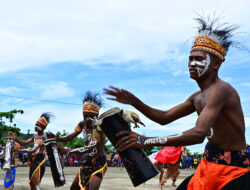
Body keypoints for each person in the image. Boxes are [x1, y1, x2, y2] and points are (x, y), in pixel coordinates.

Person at [104, 16, 250, 190]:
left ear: (216, 63)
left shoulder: (221, 90)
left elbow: (198, 134)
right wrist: (134, 102)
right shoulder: (197, 97)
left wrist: (146, 140)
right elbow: (164, 117)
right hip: (207, 165)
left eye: (199, 58)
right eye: (190, 58)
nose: (192, 63)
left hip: (232, 171)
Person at [53, 91, 107, 190]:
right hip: (87, 162)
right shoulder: (82, 124)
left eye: (90, 116)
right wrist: (58, 138)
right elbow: (70, 137)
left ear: (97, 115)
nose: (87, 119)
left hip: (99, 163)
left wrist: (68, 151)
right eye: (85, 115)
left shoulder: (99, 127)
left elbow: (90, 148)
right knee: (74, 188)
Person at [8, 112, 53, 190]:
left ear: (43, 127)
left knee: (35, 181)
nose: (35, 126)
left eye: (38, 125)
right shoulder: (35, 136)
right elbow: (24, 143)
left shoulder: (44, 136)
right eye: (35, 124)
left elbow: (33, 150)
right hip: (33, 158)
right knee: (32, 182)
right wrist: (16, 139)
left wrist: (19, 150)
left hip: (40, 159)